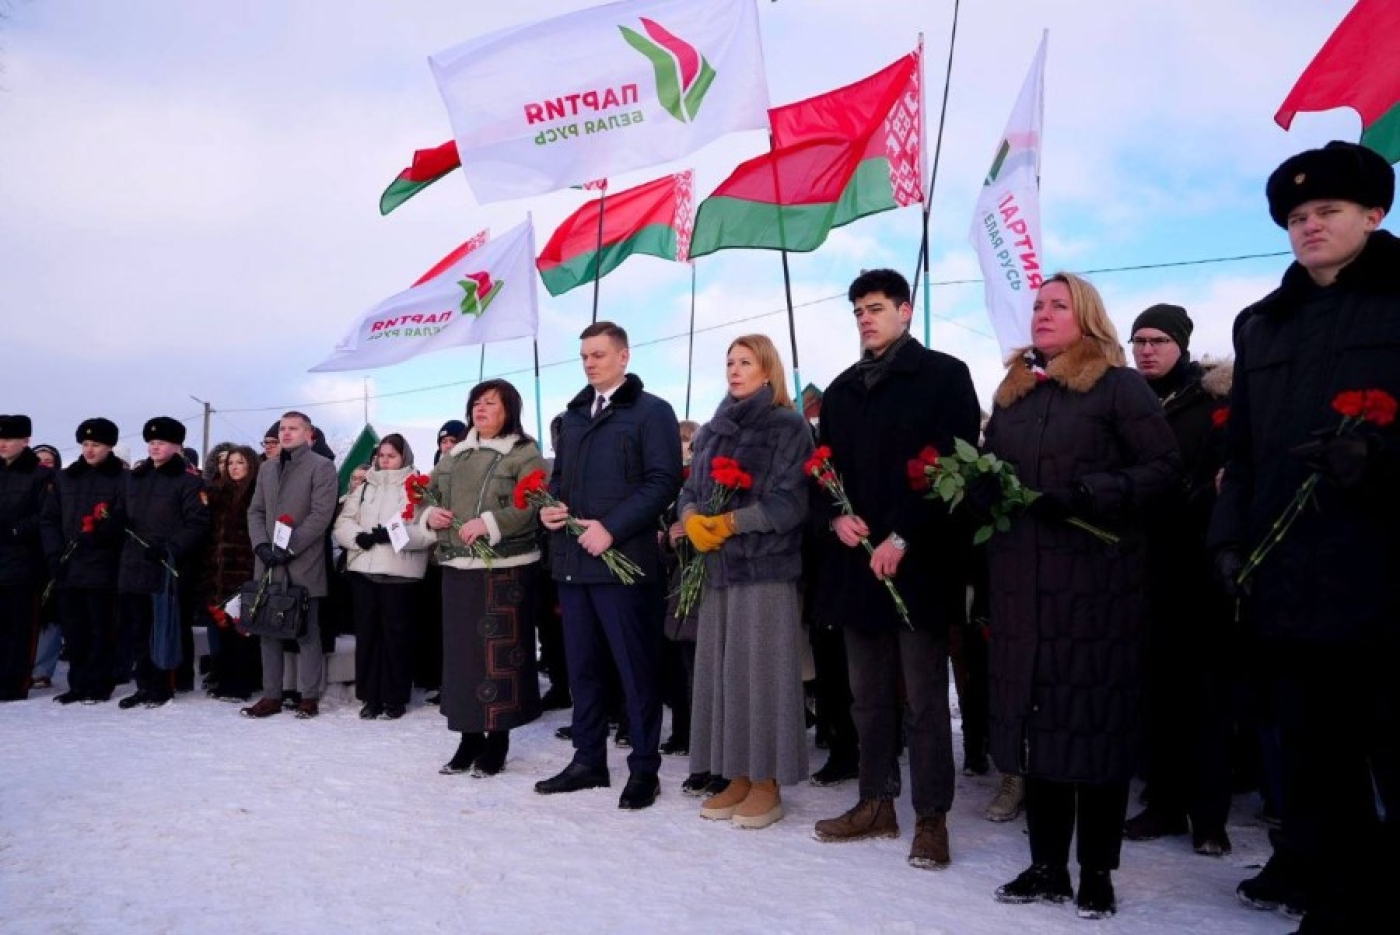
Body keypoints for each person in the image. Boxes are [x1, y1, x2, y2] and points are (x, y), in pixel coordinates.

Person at [1208, 141, 1399, 934]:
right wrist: (1227, 542)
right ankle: (1334, 905)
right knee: (1317, 764)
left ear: (1374, 214)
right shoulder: (1264, 323)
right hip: (1288, 585)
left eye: (1326, 211)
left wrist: (1381, 460)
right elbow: (1241, 454)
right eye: (1296, 216)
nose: (1309, 225)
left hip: (1384, 580)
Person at [982, 273, 1179, 919]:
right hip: (1023, 589)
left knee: (1093, 729)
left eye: (1057, 305)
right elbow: (994, 470)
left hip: (1097, 590)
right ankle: (1045, 865)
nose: (1042, 313)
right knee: (1039, 729)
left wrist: (1090, 494)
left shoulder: (1117, 385)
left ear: (1087, 316)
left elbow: (1162, 468)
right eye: (1037, 304)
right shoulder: (1012, 395)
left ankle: (1096, 869)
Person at [810, 269, 980, 870]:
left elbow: (959, 469)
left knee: (927, 701)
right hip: (859, 567)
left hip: (920, 564)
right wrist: (836, 518)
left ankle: (931, 818)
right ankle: (875, 802)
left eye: (876, 307)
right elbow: (823, 470)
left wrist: (905, 535)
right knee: (868, 697)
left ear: (906, 311)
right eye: (858, 309)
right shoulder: (840, 389)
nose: (865, 318)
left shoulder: (943, 375)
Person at [534, 321, 682, 810]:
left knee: (635, 669)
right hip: (574, 564)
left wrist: (612, 528)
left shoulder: (651, 412)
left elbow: (662, 482)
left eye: (599, 354)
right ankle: (588, 760)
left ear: (624, 357)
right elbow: (560, 480)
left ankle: (644, 769)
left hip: (624, 563)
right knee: (584, 669)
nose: (590, 363)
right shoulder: (573, 417)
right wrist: (550, 507)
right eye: (584, 356)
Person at [675, 335, 814, 829]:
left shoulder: (788, 426)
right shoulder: (712, 429)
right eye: (729, 361)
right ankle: (735, 773)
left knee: (764, 678)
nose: (734, 370)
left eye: (745, 362)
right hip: (717, 571)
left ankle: (767, 784)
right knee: (723, 674)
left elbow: (791, 503)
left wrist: (733, 523)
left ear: (767, 369)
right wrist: (692, 517)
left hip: (766, 568)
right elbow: (688, 490)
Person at [1123, 303, 1237, 858]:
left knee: (1205, 698)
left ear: (1181, 345)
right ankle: (1163, 803)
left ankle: (1210, 817)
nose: (1147, 350)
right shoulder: (1126, 399)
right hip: (1143, 568)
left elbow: (1230, 467)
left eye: (1158, 341)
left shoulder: (1212, 399)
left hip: (1199, 568)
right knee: (1156, 696)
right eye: (1139, 340)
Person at [424, 382, 547, 775]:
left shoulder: (524, 453)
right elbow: (428, 494)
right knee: (463, 661)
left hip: (504, 569)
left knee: (498, 658)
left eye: (490, 403)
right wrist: (431, 515)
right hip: (458, 569)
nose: (481, 409)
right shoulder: (454, 455)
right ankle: (468, 737)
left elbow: (531, 505)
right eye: (476, 403)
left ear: (508, 410)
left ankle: (499, 739)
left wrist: (489, 522)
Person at [241, 411, 338, 720]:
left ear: (307, 434)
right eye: (282, 428)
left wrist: (289, 546)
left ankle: (308, 696)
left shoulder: (321, 467)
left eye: (293, 428)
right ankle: (271, 695)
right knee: (267, 630)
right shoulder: (267, 468)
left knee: (307, 632)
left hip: (303, 563)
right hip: (268, 563)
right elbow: (255, 511)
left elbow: (321, 515)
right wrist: (261, 546)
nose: (286, 433)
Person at [333, 434, 434, 721]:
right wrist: (357, 538)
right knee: (368, 636)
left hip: (400, 572)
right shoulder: (365, 486)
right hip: (364, 570)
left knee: (397, 638)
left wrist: (392, 535)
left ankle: (395, 696)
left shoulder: (418, 486)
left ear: (404, 457)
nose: (386, 461)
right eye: (382, 455)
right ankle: (370, 696)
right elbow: (343, 521)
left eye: (392, 456)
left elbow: (427, 530)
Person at [115, 417, 210, 709]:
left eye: (163, 442)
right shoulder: (135, 477)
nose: (155, 446)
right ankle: (143, 684)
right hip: (134, 563)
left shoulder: (189, 481)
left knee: (164, 627)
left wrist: (170, 548)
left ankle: (164, 684)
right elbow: (123, 511)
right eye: (152, 442)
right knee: (138, 628)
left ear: (178, 446)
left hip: (166, 566)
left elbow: (197, 523)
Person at [43, 418, 126, 704]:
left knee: (100, 628)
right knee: (74, 628)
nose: (90, 450)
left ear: (110, 446)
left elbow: (126, 521)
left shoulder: (122, 479)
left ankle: (99, 684)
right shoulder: (65, 478)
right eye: (86, 444)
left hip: (103, 565)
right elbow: (50, 518)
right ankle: (77, 684)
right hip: (68, 565)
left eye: (97, 445)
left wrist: (105, 532)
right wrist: (54, 553)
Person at [0, 415, 55, 701]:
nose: (2, 444)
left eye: (9, 438)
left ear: (25, 441)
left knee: (20, 627)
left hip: (24, 563)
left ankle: (15, 683)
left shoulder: (40, 476)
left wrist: (16, 528)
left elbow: (45, 517)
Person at [202, 444, 261, 702]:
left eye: (240, 463)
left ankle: (242, 684)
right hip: (218, 572)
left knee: (243, 632)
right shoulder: (219, 494)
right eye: (231, 463)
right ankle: (223, 679)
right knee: (223, 629)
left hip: (244, 570)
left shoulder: (256, 493)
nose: (234, 468)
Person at [29, 444, 63, 689]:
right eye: (38, 459)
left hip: (51, 554)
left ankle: (42, 669)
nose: (43, 464)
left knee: (50, 616)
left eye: (48, 460)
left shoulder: (61, 486)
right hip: (24, 556)